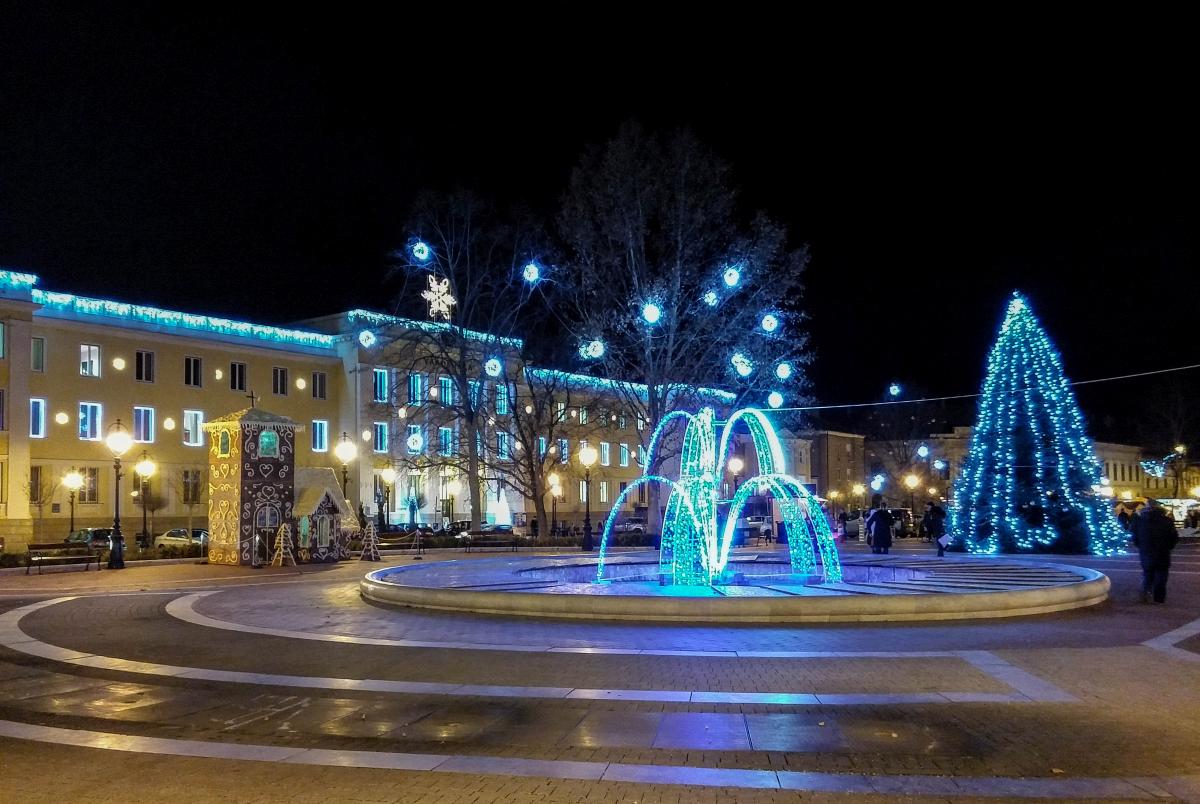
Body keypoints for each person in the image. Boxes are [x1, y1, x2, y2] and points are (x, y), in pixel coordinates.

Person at [1130, 498, 1179, 604]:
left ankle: (1145, 593)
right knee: (1161, 575)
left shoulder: (1139, 520)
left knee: (1147, 573)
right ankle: (1159, 598)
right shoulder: (1167, 520)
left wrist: (1142, 547)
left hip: (1146, 552)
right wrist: (1168, 547)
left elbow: (1134, 538)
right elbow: (1174, 537)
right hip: (1163, 552)